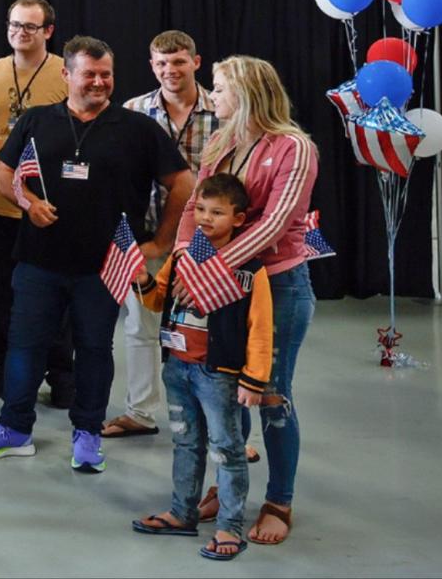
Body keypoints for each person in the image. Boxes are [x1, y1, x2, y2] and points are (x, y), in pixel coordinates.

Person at [0, 36, 195, 475]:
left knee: (94, 348)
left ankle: (87, 433)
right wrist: (29, 204)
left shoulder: (137, 128)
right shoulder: (36, 120)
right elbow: (3, 175)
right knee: (24, 346)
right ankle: (14, 429)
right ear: (66, 75)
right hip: (38, 262)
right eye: (89, 74)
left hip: (103, 268)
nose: (99, 82)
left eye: (106, 74)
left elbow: (183, 185)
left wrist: (159, 244)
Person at [182, 55, 318, 548]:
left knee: (270, 394)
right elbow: (196, 211)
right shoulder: (221, 143)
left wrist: (207, 268)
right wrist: (187, 258)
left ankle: (279, 500)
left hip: (278, 286)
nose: (211, 95)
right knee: (224, 392)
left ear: (246, 92)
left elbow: (275, 223)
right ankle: (231, 486)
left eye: (218, 88)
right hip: (222, 287)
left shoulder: (295, 147)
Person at [130, 173, 272, 562]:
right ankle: (182, 512)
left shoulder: (249, 270)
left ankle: (230, 525)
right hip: (178, 368)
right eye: (202, 210)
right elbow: (158, 302)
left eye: (218, 212)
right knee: (184, 441)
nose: (207, 219)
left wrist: (254, 380)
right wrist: (143, 281)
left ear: (239, 219)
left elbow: (260, 330)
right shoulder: (181, 257)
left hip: (220, 375)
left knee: (226, 449)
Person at [108, 30, 221, 440]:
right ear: (151, 66)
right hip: (146, 236)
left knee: (204, 326)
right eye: (161, 63)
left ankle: (212, 416)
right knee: (140, 324)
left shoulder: (222, 110)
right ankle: (140, 411)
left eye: (178, 62)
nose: (169, 70)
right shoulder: (133, 110)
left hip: (206, 239)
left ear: (196, 61)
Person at [0, 0, 69, 400]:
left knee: (55, 293)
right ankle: (4, 369)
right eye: (14, 24)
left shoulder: (65, 72)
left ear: (47, 31)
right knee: (1, 294)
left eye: (29, 26)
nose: (19, 33)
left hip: (47, 204)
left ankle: (62, 374)